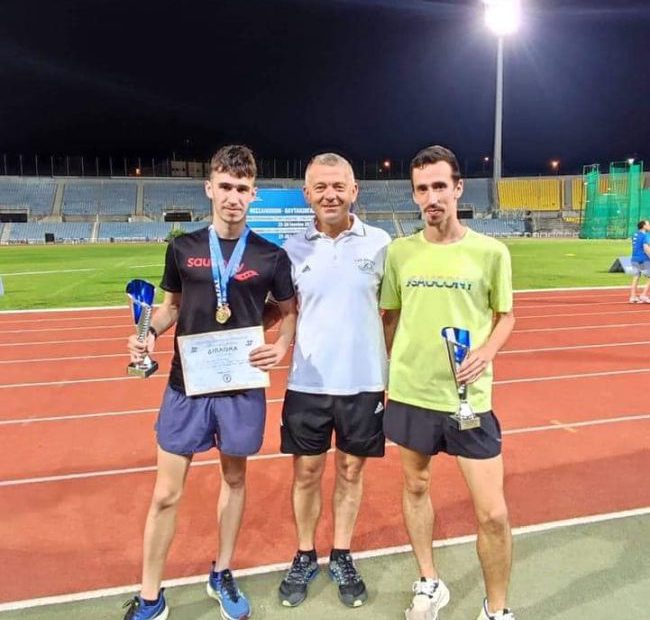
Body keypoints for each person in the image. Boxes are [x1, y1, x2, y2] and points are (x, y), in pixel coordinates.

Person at [122, 145, 297, 620]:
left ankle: (221, 572)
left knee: (234, 479)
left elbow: (288, 312)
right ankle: (151, 595)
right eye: (225, 187)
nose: (233, 197)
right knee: (166, 494)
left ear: (254, 194)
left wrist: (282, 346)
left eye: (242, 188)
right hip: (187, 385)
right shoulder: (183, 248)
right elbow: (171, 308)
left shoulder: (271, 256)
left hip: (240, 387)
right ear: (209, 188)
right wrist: (148, 333)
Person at [380, 145, 516, 620]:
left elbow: (506, 316)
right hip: (411, 394)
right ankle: (429, 581)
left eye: (440, 186)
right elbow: (390, 318)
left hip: (468, 400)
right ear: (414, 195)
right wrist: (389, 373)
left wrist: (486, 352)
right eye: (422, 189)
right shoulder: (399, 253)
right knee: (416, 486)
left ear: (458, 188)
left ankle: (496, 609)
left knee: (493, 513)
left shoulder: (491, 252)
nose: (431, 197)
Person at [277, 153, 391, 608]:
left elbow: (394, 312)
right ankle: (305, 554)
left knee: (350, 469)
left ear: (354, 190)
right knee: (306, 472)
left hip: (364, 382)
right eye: (321, 187)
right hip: (307, 382)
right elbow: (280, 311)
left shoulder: (381, 244)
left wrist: (389, 361)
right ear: (307, 194)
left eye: (339, 186)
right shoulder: (291, 249)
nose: (330, 195)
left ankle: (341, 553)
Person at [629, 220, 650, 303]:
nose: (649, 226)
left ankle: (633, 296)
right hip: (643, 259)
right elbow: (646, 248)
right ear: (644, 226)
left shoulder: (635, 234)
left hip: (634, 258)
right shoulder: (645, 235)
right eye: (648, 224)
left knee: (636, 277)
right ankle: (644, 295)